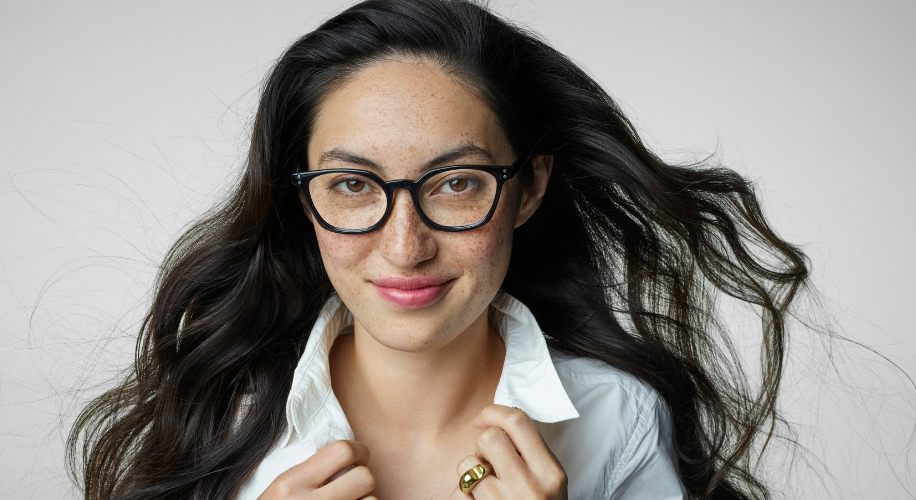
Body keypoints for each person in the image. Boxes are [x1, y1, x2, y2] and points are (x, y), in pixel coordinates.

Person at [67, 0, 809, 499]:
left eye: (456, 183)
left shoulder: (616, 418)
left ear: (527, 189)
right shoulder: (217, 418)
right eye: (353, 184)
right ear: (304, 200)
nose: (404, 245)